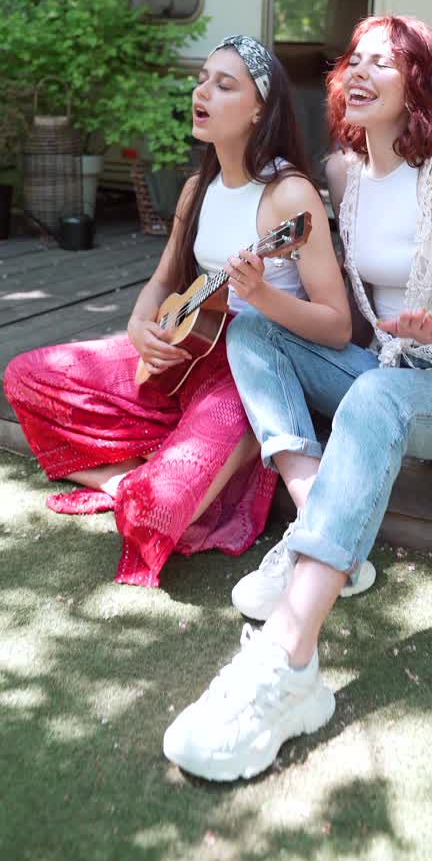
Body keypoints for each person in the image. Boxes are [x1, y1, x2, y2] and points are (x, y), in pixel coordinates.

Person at [163, 14, 432, 780]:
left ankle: (288, 661)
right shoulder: (342, 173)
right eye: (353, 60)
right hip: (389, 371)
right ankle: (321, 527)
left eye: (382, 62)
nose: (358, 72)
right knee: (254, 333)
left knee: (378, 397)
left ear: (419, 82)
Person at [4, 35, 354, 588]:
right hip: (183, 352)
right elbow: (164, 280)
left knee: (160, 507)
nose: (202, 92)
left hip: (247, 369)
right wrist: (139, 326)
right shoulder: (197, 189)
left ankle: (166, 472)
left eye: (224, 84)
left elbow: (337, 327)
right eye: (202, 79)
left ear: (260, 109)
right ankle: (127, 479)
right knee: (25, 375)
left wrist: (262, 296)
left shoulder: (289, 196)